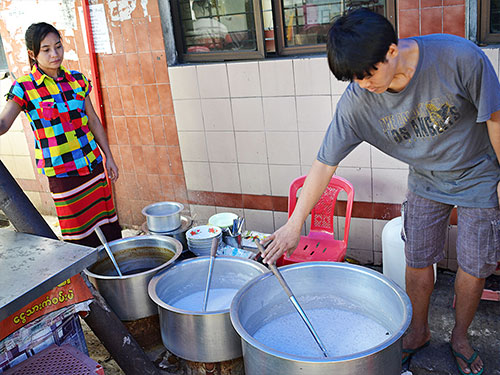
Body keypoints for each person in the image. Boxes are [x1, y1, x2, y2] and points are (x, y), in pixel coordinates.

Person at [261, 8, 500, 375]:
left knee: (474, 264)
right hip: (425, 179)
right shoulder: (358, 101)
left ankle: (461, 337)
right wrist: (295, 223)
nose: (363, 84)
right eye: (353, 78)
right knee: (417, 258)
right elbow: (324, 164)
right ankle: (418, 332)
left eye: (367, 73)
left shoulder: (459, 58)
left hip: (477, 173)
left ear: (392, 50)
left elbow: (495, 117)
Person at [0, 22, 122, 248]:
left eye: (58, 46)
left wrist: (109, 157)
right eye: (46, 50)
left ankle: (115, 278)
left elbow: (93, 120)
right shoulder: (24, 87)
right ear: (32, 54)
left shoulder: (77, 80)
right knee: (79, 237)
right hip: (64, 175)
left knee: (108, 227)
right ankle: (86, 280)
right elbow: (4, 122)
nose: (55, 54)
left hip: (93, 167)